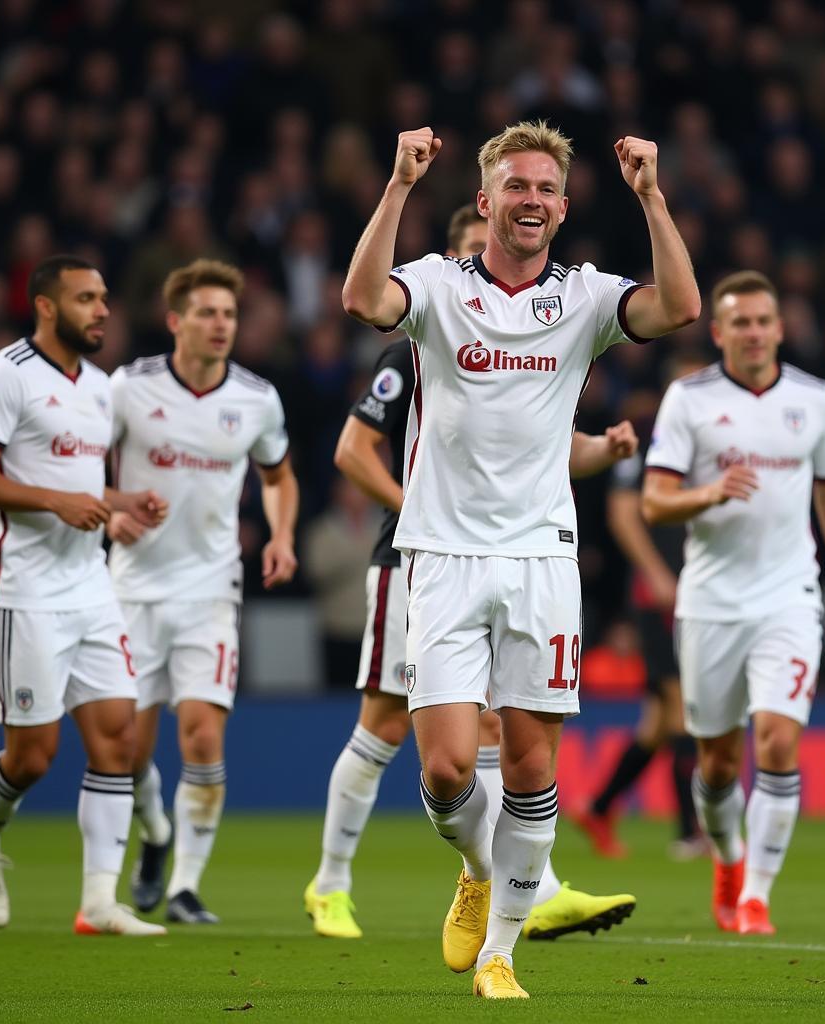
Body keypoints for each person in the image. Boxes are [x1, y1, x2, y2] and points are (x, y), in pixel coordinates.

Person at [342, 122, 700, 998]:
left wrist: (653, 195)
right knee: (446, 770)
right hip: (445, 555)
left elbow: (681, 309)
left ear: (565, 206)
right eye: (516, 187)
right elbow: (360, 300)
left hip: (542, 559)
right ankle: (475, 868)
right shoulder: (435, 285)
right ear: (485, 199)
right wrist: (395, 185)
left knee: (534, 765)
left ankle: (500, 953)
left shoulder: (583, 298)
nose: (531, 200)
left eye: (545, 189)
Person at [306, 203, 639, 943]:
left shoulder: (544, 326)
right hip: (417, 557)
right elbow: (351, 451)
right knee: (391, 724)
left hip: (516, 555)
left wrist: (603, 451)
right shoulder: (413, 344)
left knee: (498, 728)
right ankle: (330, 882)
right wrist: (422, 505)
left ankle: (523, 892)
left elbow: (550, 448)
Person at [642, 269, 825, 935]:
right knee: (714, 760)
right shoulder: (688, 400)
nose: (754, 332)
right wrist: (707, 494)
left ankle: (757, 897)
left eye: (763, 320)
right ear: (718, 332)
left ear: (780, 328)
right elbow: (655, 501)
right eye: (740, 322)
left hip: (789, 596)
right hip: (710, 601)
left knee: (775, 740)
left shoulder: (816, 399)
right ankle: (729, 858)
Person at [0, 254, 169, 936]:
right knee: (33, 755)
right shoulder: (5, 375)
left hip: (89, 585)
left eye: (103, 298)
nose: (102, 310)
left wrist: (119, 502)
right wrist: (57, 501)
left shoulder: (100, 388)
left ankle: (99, 903)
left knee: (117, 740)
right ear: (46, 307)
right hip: (21, 590)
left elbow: (72, 480)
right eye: (85, 299)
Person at [107, 258, 298, 924]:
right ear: (175, 321)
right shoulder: (127, 389)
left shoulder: (255, 398)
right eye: (207, 313)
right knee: (125, 750)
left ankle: (186, 886)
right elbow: (76, 466)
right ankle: (156, 834)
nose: (221, 325)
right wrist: (113, 508)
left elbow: (278, 476)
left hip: (212, 589)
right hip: (130, 589)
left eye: (229, 314)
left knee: (201, 739)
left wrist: (280, 536)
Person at [575, 357, 708, 861]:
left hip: (696, 592)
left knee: (657, 724)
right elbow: (622, 513)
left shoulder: (709, 445)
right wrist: (656, 573)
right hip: (660, 597)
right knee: (681, 709)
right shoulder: (653, 441)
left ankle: (600, 805)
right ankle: (690, 830)